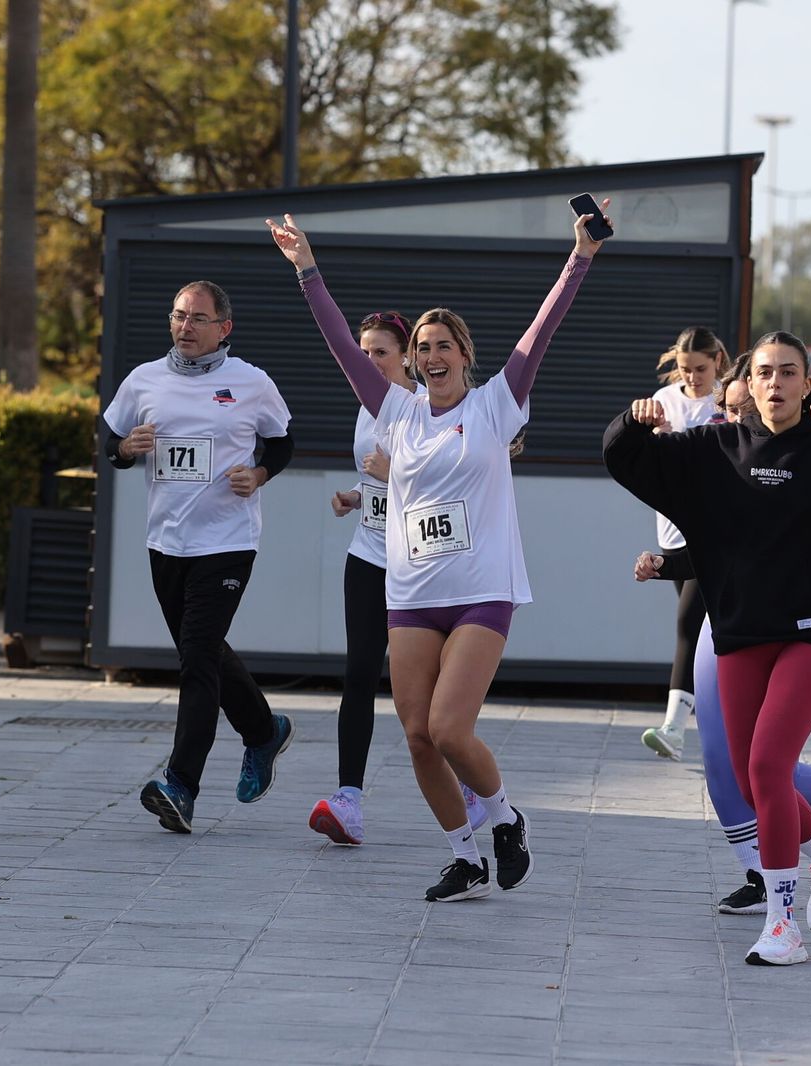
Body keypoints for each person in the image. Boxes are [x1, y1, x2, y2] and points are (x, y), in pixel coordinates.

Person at [268, 199, 608, 901]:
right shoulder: (394, 411)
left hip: (482, 590)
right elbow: (339, 344)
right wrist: (308, 270)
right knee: (418, 735)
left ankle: (506, 818)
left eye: (442, 345)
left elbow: (544, 330)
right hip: (412, 594)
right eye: (421, 347)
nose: (431, 356)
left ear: (464, 354)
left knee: (451, 728)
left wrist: (580, 255)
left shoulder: (496, 404)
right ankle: (466, 857)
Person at [604, 329, 811, 966]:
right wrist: (634, 422)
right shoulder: (713, 448)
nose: (776, 384)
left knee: (770, 768)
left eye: (790, 373)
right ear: (745, 385)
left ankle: (783, 924)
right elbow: (623, 458)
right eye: (766, 373)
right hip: (741, 632)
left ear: (809, 385)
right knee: (752, 780)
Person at [102, 280, 296, 834]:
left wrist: (258, 474)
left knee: (196, 659)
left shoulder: (251, 383)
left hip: (229, 541)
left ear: (223, 329)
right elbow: (109, 443)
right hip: (167, 542)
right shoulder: (144, 379)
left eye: (198, 318)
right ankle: (262, 730)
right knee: (203, 652)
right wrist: (124, 450)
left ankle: (180, 784)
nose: (185, 327)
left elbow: (282, 442)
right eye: (179, 316)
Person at [309, 310, 489, 844]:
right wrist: (359, 496)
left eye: (380, 353)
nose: (369, 363)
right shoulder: (368, 412)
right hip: (368, 554)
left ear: (407, 357)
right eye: (362, 354)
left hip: (420, 568)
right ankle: (349, 801)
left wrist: (396, 476)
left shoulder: (426, 410)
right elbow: (381, 486)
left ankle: (473, 789)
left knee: (431, 705)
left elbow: (444, 484)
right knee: (359, 673)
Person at [633, 551, 811, 914]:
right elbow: (717, 531)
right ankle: (764, 873)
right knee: (724, 757)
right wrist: (666, 564)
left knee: (766, 761)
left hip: (802, 610)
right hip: (730, 604)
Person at [639, 327, 731, 760]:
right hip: (672, 533)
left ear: (717, 363)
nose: (692, 377)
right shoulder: (665, 401)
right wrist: (655, 436)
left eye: (701, 369)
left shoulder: (729, 400)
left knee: (689, 624)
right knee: (709, 632)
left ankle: (674, 727)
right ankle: (726, 721)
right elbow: (643, 461)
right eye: (684, 369)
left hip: (714, 532)